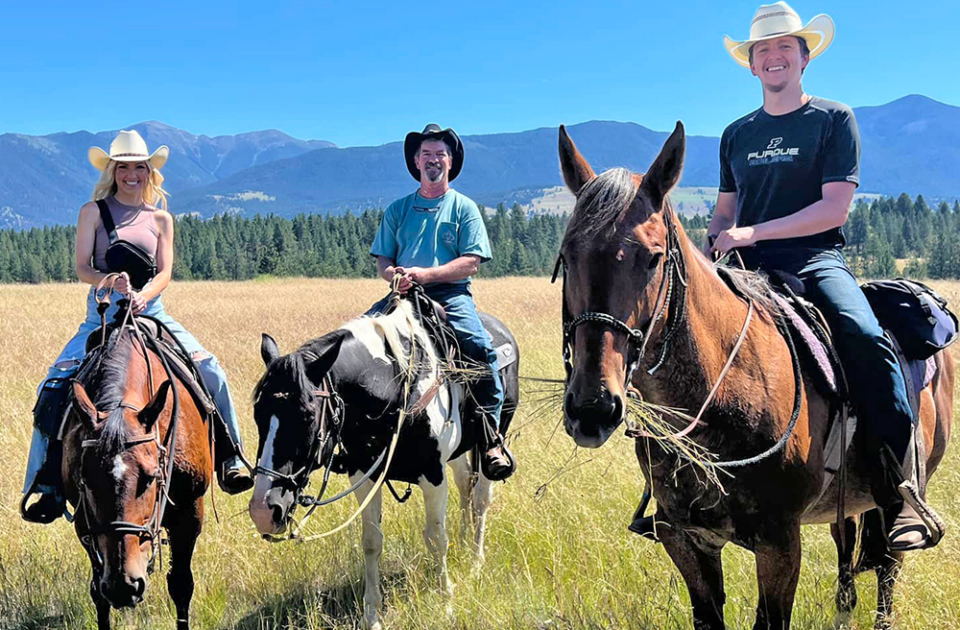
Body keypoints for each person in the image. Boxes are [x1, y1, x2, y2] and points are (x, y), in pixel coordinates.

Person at [704, 2, 940, 550]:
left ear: (805, 57)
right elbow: (723, 212)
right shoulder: (736, 133)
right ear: (752, 65)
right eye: (763, 49)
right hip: (743, 266)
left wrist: (752, 234)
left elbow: (835, 209)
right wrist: (716, 244)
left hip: (814, 260)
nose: (774, 56)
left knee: (866, 339)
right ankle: (674, 494)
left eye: (785, 46)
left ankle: (901, 491)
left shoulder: (833, 120)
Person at [21, 130, 253, 524]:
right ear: (113, 171)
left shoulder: (160, 217)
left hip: (153, 312)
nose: (132, 174)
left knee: (211, 369)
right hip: (103, 315)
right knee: (54, 385)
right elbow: (82, 267)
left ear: (150, 172)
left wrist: (146, 294)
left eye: (139, 167)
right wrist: (107, 282)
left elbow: (165, 272)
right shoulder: (93, 211)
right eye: (124, 167)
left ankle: (232, 457)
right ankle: (45, 483)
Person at [367, 123, 514, 481]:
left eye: (440, 154)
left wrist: (425, 275)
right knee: (357, 343)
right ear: (416, 162)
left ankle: (490, 438)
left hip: (451, 294)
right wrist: (395, 277)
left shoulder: (464, 208)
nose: (433, 160)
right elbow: (383, 261)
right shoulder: (398, 210)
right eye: (427, 154)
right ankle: (358, 439)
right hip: (403, 296)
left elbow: (471, 262)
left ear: (451, 162)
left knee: (480, 350)